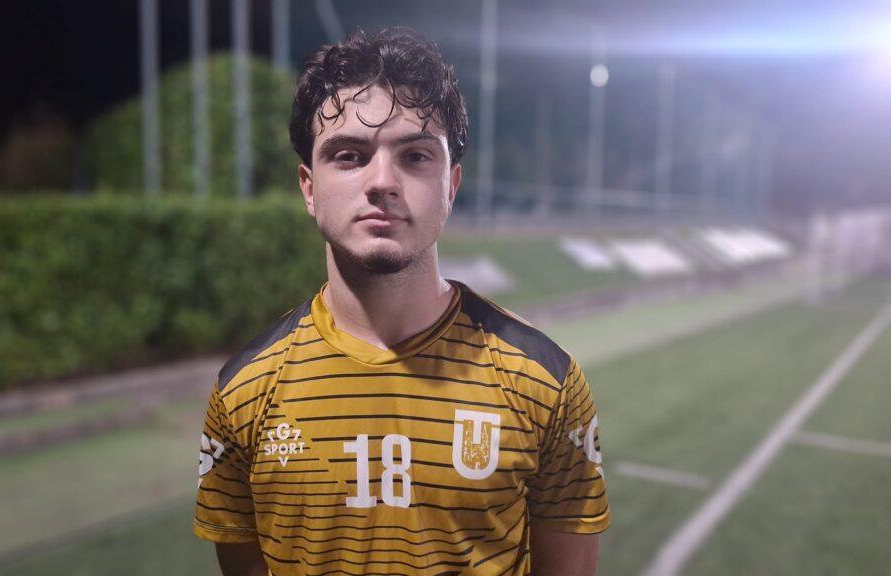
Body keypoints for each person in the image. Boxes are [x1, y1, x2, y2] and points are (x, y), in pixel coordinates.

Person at [193, 27, 609, 575]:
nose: (382, 181)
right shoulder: (242, 390)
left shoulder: (546, 381)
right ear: (309, 188)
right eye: (349, 155)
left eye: (414, 156)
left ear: (451, 186)